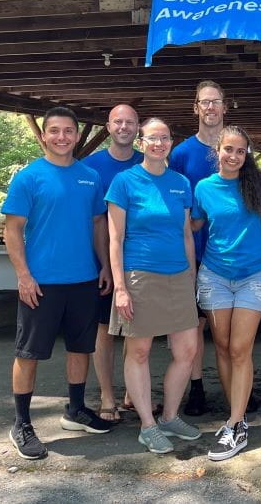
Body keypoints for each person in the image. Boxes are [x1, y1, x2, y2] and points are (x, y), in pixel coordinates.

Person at [2, 107, 113, 460]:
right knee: (29, 352)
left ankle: (76, 410)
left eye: (68, 131)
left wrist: (105, 266)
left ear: (77, 136)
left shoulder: (90, 177)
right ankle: (21, 423)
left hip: (83, 279)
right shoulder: (29, 177)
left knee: (81, 348)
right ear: (44, 135)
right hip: (41, 283)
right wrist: (23, 275)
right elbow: (12, 229)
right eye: (54, 130)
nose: (61, 137)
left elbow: (98, 224)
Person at [106, 118, 202, 454]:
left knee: (187, 351)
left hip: (178, 275)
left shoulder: (181, 183)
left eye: (164, 138)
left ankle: (170, 417)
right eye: (152, 138)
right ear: (141, 142)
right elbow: (115, 238)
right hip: (140, 276)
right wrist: (120, 287)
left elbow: (186, 234)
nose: (159, 144)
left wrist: (191, 276)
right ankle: (147, 425)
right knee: (139, 351)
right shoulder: (124, 181)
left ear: (171, 142)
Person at [192, 125, 261, 461]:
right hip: (214, 276)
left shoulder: (256, 184)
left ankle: (236, 424)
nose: (234, 156)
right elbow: (193, 225)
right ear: (218, 151)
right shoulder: (203, 188)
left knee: (240, 349)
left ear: (247, 155)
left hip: (252, 277)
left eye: (241, 151)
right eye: (229, 149)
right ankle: (235, 416)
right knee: (224, 347)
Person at [83, 104, 144, 423]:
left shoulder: (147, 162)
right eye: (118, 122)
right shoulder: (91, 167)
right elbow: (91, 219)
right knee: (104, 329)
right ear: (108, 127)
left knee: (137, 330)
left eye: (130, 122)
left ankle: (133, 393)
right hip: (102, 262)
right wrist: (104, 264)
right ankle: (107, 396)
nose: (123, 127)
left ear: (138, 128)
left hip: (140, 262)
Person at [168, 80, 226, 417]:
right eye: (205, 102)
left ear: (224, 107)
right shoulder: (181, 154)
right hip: (192, 252)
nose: (210, 107)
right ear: (196, 108)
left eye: (215, 101)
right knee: (193, 326)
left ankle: (237, 387)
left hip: (227, 253)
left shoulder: (237, 148)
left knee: (226, 326)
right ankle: (197, 388)